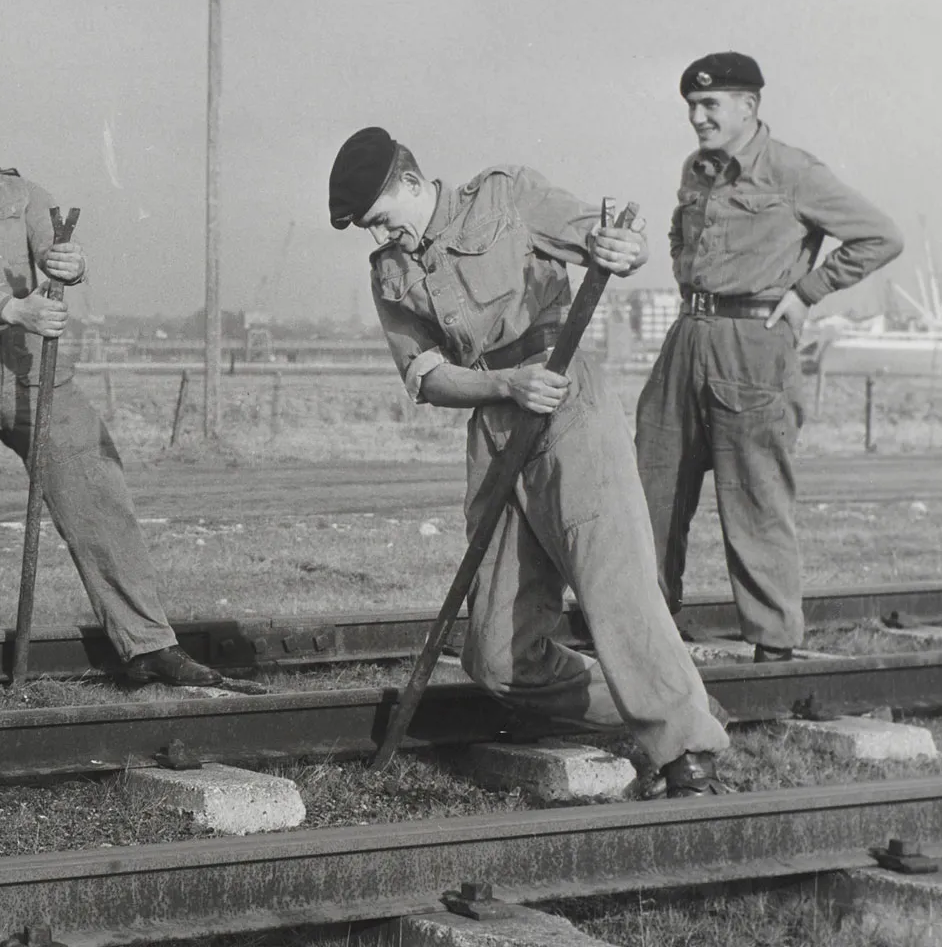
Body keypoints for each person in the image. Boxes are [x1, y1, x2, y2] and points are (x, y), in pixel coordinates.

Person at [328, 127, 731, 797]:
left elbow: (603, 242)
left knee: (614, 583)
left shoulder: (505, 197)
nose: (382, 237)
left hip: (565, 394)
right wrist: (501, 386)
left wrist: (620, 249)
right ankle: (668, 707)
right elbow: (426, 377)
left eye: (381, 220)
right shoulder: (389, 274)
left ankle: (685, 749)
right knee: (496, 657)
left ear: (407, 181)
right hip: (495, 422)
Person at [0, 88, 222, 707]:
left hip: (32, 357)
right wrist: (8, 305)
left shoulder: (23, 194)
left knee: (96, 484)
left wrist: (71, 262)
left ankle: (147, 645)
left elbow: (52, 253)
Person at [635, 52, 903, 662]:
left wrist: (807, 293)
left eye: (710, 106)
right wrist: (683, 267)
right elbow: (684, 234)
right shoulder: (698, 168)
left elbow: (881, 235)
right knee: (653, 481)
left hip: (754, 342)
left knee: (754, 492)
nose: (697, 118)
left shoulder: (792, 171)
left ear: (749, 106)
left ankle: (772, 646)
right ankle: (646, 624)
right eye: (691, 108)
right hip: (688, 335)